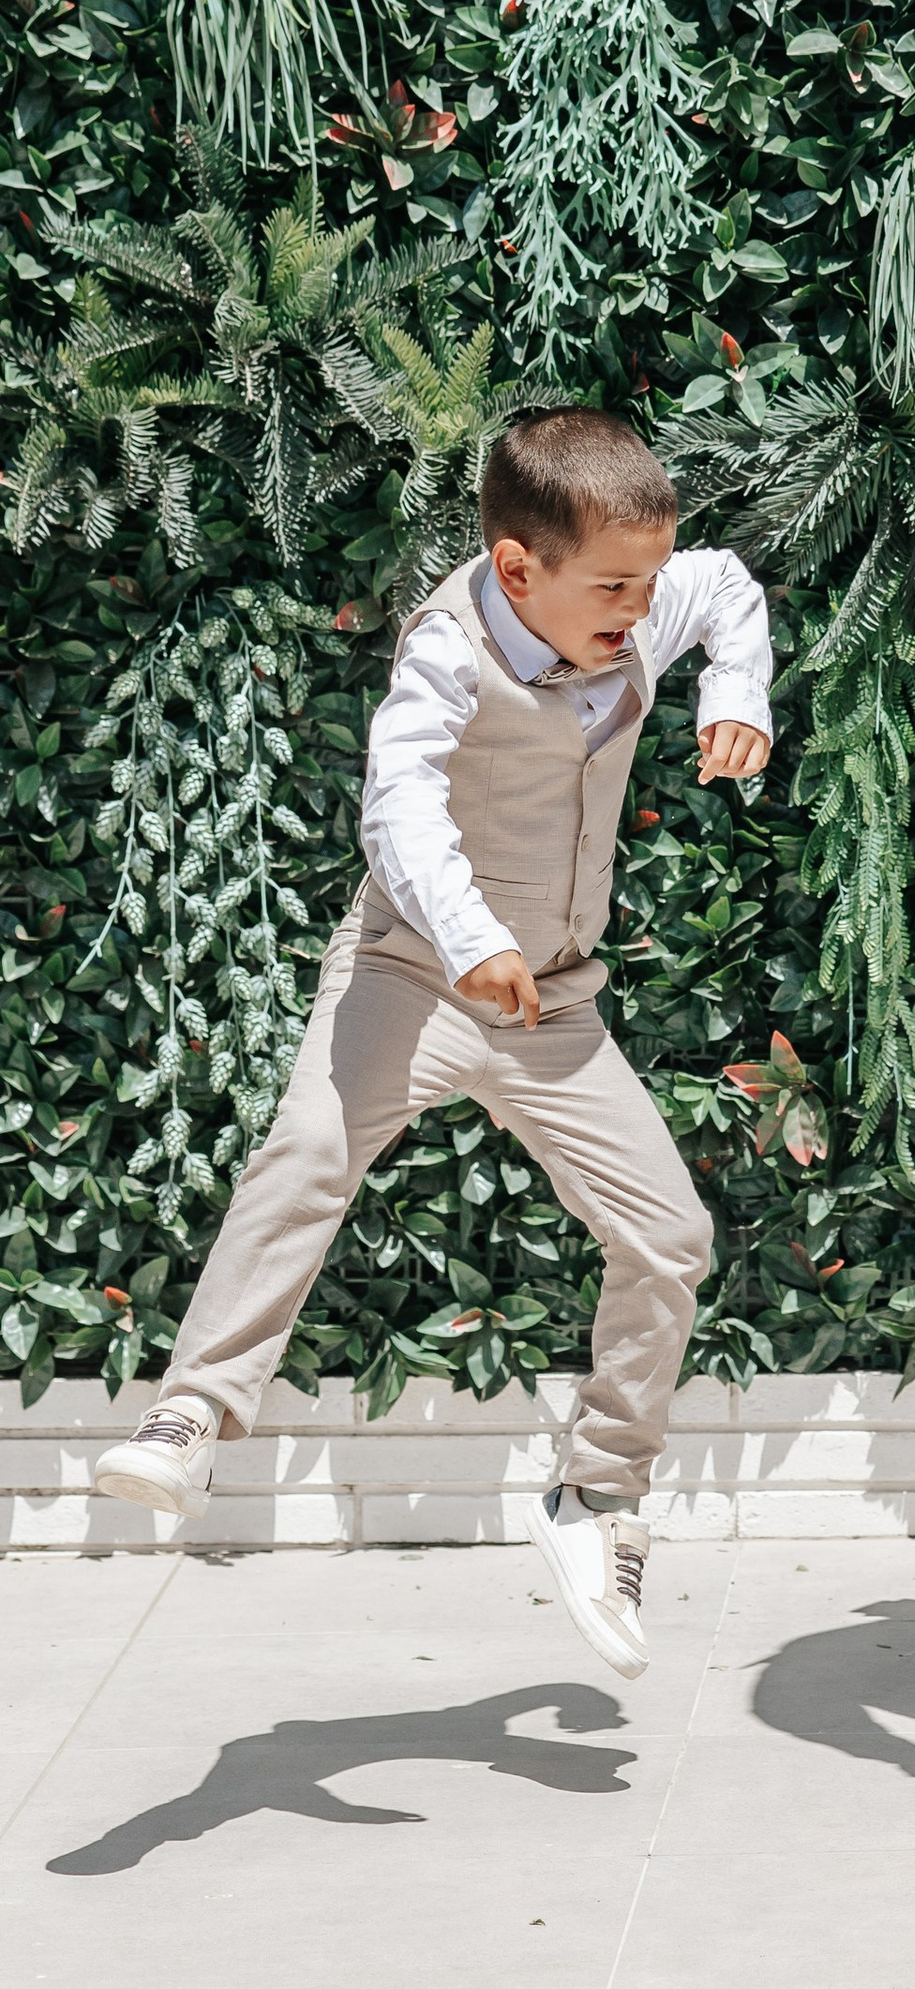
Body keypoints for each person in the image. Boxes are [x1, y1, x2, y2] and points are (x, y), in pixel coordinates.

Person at [91, 411, 772, 1673]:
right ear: (520, 570)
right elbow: (396, 803)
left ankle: (600, 1497)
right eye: (614, 587)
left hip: (553, 1005)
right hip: (415, 973)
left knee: (671, 1238)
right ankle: (191, 1413)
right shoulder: (448, 653)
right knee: (305, 1160)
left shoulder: (637, 600)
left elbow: (724, 586)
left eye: (644, 582)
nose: (640, 607)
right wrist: (467, 938)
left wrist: (738, 690)